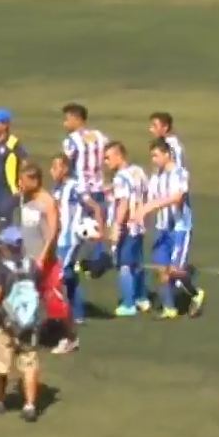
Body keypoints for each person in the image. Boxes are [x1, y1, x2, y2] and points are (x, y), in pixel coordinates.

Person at [138, 139, 205, 319]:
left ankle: (195, 293)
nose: (153, 160)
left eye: (156, 155)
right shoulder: (156, 177)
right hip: (162, 228)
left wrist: (151, 207)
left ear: (167, 154)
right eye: (152, 156)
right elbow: (150, 199)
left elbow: (177, 198)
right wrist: (141, 216)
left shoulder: (180, 173)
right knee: (162, 269)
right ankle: (169, 308)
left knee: (174, 270)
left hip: (180, 229)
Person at [18, 162, 78, 355]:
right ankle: (31, 335)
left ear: (34, 180)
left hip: (46, 261)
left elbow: (53, 232)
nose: (20, 184)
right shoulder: (25, 198)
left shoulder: (48, 202)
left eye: (23, 180)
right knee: (27, 298)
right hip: (28, 257)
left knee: (55, 301)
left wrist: (43, 256)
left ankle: (69, 338)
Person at [0, 224, 41, 421]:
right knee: (29, 363)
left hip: (3, 323)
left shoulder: (1, 268)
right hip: (28, 324)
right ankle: (30, 405)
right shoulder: (32, 266)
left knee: (1, 363)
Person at [49, 154, 101, 324]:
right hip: (59, 238)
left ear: (65, 168)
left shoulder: (75, 187)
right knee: (69, 275)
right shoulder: (56, 188)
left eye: (55, 167)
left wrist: (98, 229)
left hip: (71, 238)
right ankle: (77, 313)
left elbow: (94, 206)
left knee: (59, 275)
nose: (51, 171)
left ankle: (59, 314)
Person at [104, 142, 150, 316]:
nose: (106, 162)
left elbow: (123, 203)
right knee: (137, 263)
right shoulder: (138, 171)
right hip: (139, 225)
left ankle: (128, 304)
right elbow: (145, 193)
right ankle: (142, 298)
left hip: (126, 227)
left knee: (124, 265)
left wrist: (116, 226)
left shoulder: (120, 177)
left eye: (108, 158)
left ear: (119, 156)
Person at [60, 103, 109, 260]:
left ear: (76, 119)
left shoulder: (71, 141)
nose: (65, 124)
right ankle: (99, 258)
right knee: (97, 226)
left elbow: (66, 165)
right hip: (99, 188)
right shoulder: (100, 136)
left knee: (76, 228)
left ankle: (74, 260)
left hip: (81, 190)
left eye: (67, 119)